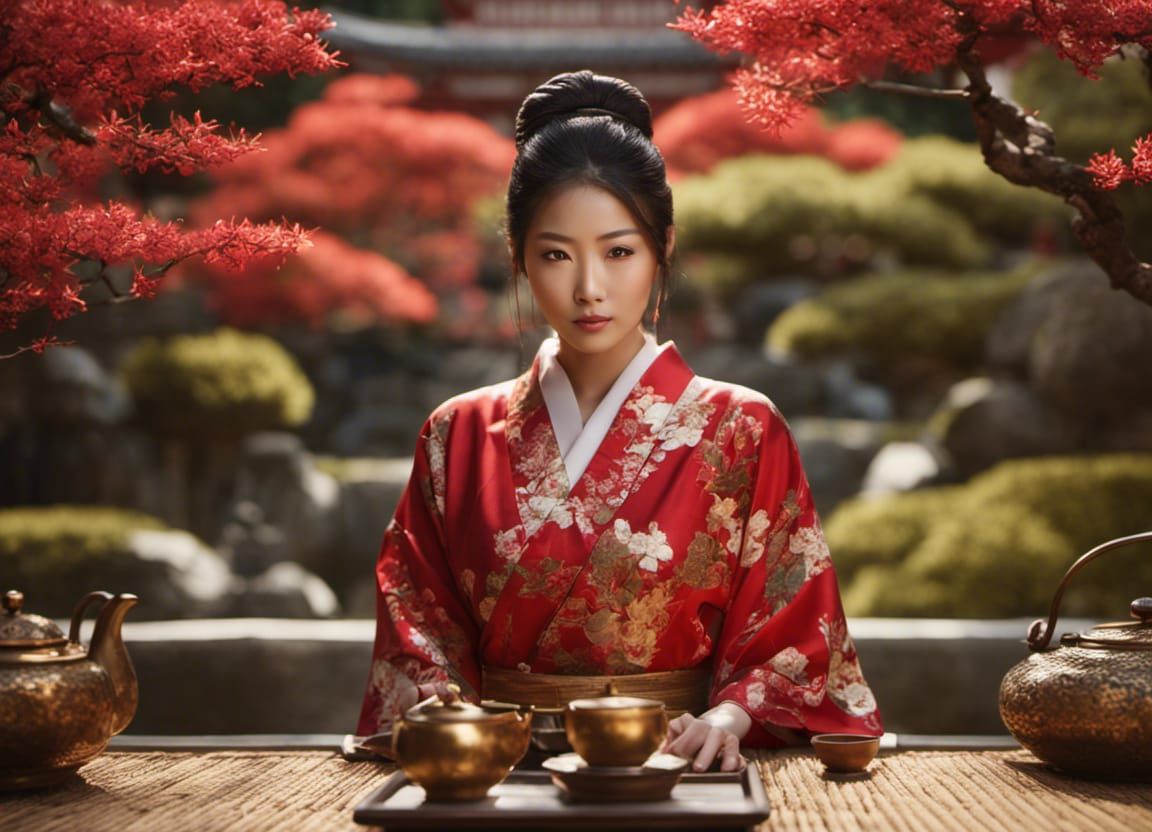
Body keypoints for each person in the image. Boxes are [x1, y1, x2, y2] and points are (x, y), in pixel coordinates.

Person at [357, 70, 882, 772]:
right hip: (502, 771)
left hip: (677, 766)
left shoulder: (742, 429)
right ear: (517, 256)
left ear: (662, 246)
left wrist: (730, 715)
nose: (588, 289)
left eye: (618, 251)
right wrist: (440, 712)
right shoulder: (455, 433)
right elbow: (417, 624)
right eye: (554, 255)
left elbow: (793, 634)